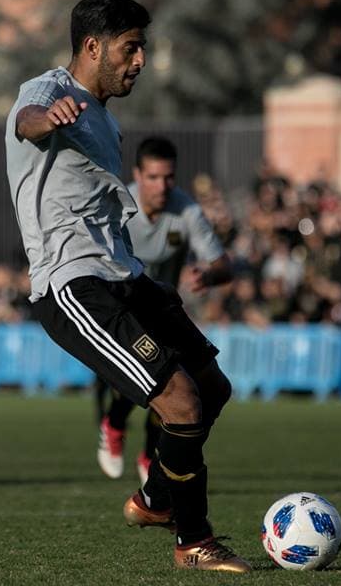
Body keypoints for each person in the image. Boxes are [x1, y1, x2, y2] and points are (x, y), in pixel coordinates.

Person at [4, 0, 249, 572]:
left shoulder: (107, 119)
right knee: (180, 401)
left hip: (124, 275)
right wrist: (48, 118)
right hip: (73, 284)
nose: (141, 60)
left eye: (143, 48)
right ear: (92, 46)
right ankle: (193, 541)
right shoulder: (48, 91)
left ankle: (157, 499)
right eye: (130, 48)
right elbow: (25, 120)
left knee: (212, 388)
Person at [96, 136, 232, 485]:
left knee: (181, 386)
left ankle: (149, 455)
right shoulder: (117, 206)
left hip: (164, 310)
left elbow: (224, 265)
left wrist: (208, 275)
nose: (162, 186)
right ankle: (114, 424)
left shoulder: (186, 211)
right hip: (124, 310)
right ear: (137, 175)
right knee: (143, 378)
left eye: (169, 177)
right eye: (153, 177)